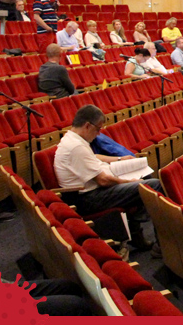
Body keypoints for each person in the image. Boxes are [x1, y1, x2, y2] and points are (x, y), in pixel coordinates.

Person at [54, 105, 162, 250]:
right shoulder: (76, 146)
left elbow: (93, 157)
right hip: (89, 198)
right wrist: (128, 181)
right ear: (87, 125)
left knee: (144, 175)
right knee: (152, 185)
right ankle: (162, 245)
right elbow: (103, 180)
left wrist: (119, 160)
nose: (98, 134)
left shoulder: (74, 139)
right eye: (98, 129)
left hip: (91, 192)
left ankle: (136, 232)